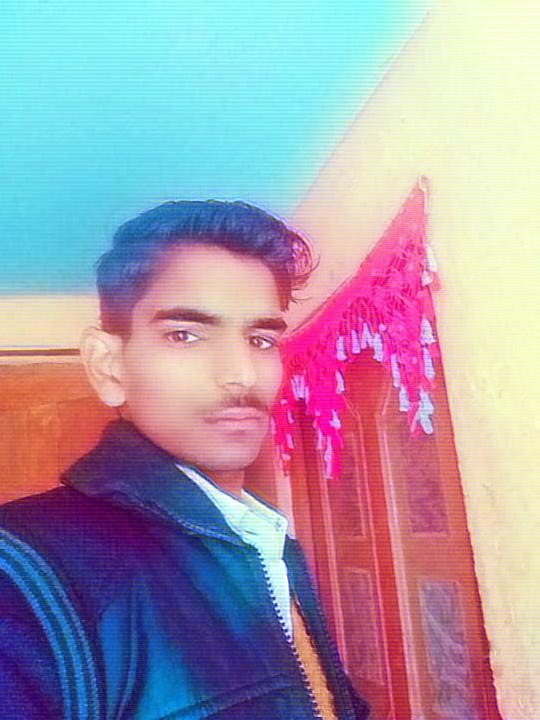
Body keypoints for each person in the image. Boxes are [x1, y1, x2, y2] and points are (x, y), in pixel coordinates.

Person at [0, 200, 370, 719]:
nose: (241, 373)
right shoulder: (21, 571)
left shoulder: (265, 539)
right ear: (109, 366)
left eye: (261, 339)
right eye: (185, 335)